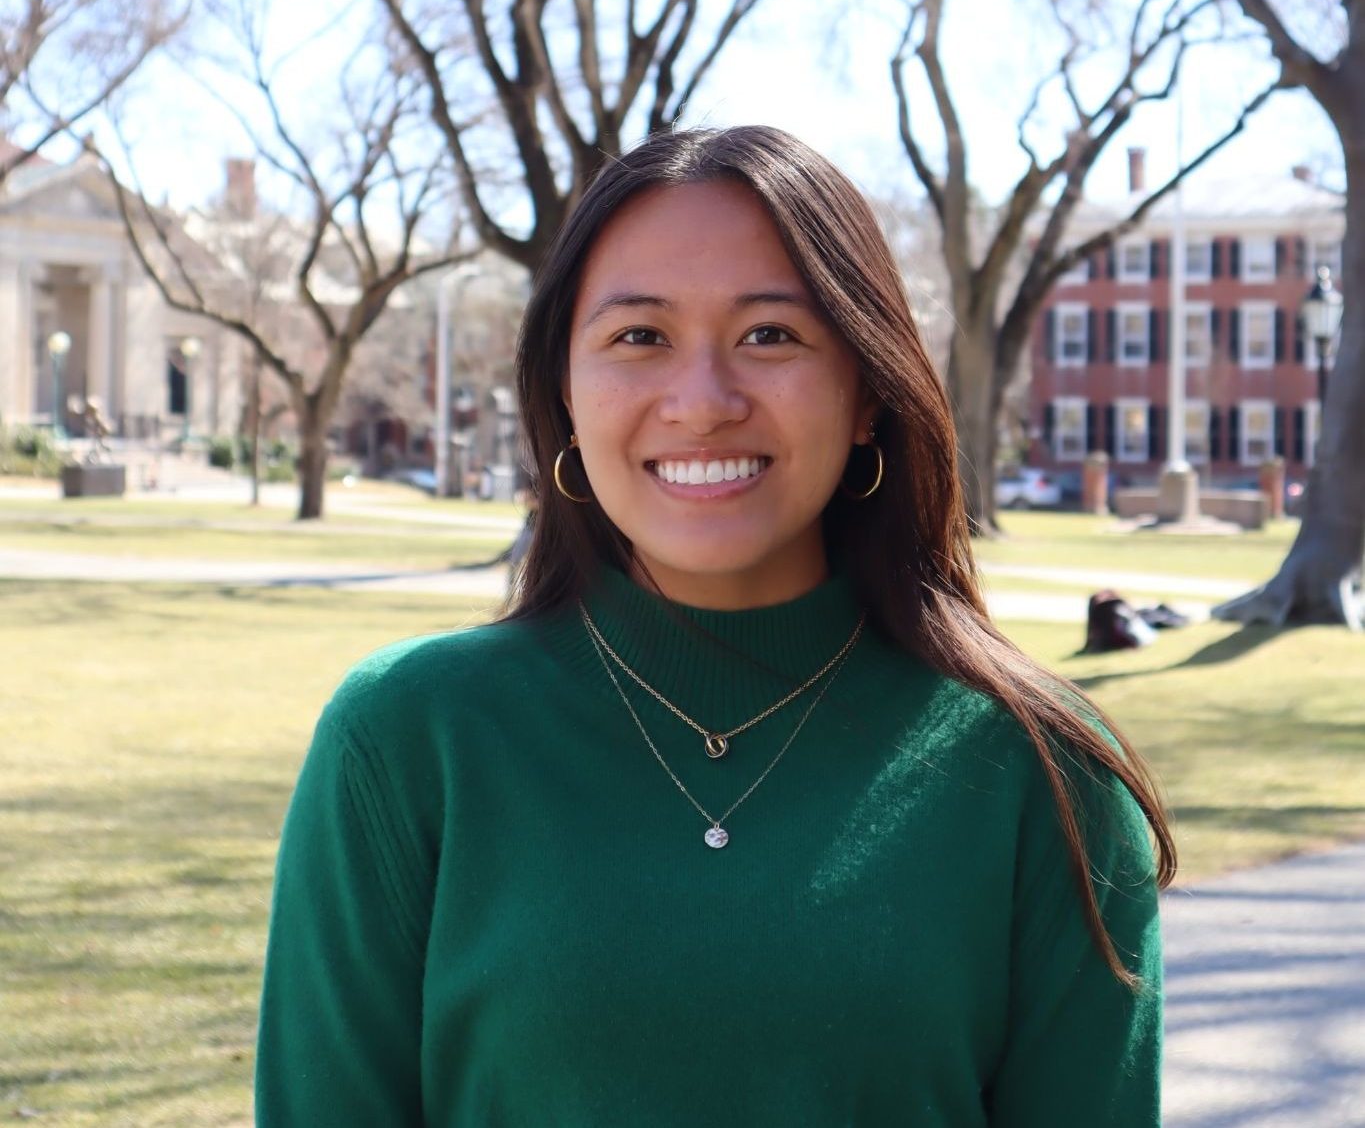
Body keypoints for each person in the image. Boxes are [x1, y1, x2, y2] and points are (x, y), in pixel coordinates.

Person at [255, 125, 1174, 1126]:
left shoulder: (1047, 782)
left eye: (771, 335)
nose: (701, 403)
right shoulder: (404, 742)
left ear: (868, 389)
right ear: (563, 392)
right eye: (638, 337)